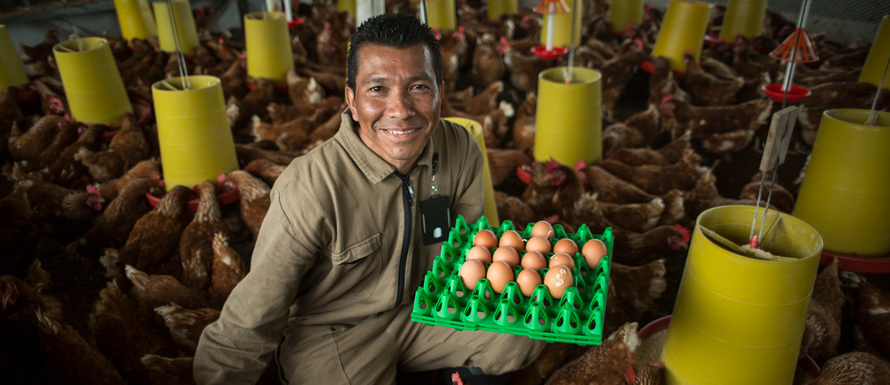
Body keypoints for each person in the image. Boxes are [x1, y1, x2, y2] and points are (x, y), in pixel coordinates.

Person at [194, 13, 544, 384]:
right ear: (352, 100)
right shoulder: (311, 186)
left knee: (521, 332)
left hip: (426, 308)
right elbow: (253, 316)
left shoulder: (460, 148)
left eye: (418, 87)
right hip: (336, 333)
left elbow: (470, 252)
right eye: (378, 89)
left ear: (440, 91)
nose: (400, 110)